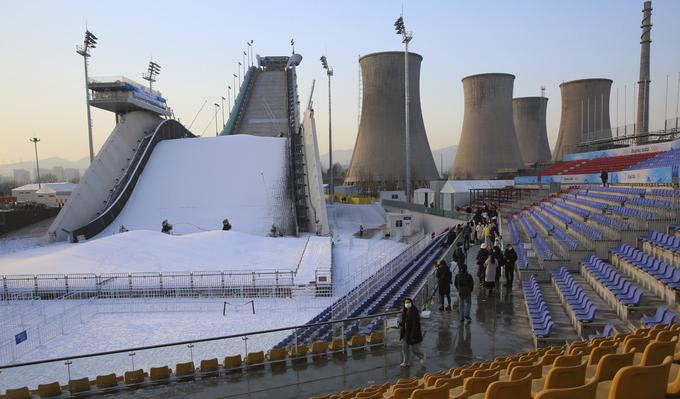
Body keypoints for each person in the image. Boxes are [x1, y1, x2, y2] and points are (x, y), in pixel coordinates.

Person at [399, 298, 425, 367]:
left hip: (413, 333)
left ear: (411, 303)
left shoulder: (414, 311)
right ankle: (406, 362)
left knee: (414, 349)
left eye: (408, 302)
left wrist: (413, 335)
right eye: (406, 303)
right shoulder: (404, 311)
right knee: (404, 348)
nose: (407, 304)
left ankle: (422, 356)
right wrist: (399, 324)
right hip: (405, 333)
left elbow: (415, 324)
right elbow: (404, 322)